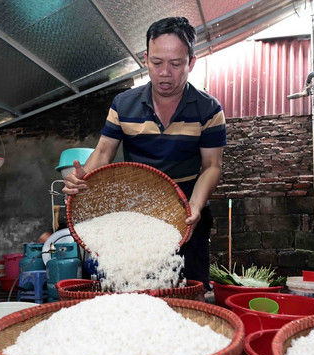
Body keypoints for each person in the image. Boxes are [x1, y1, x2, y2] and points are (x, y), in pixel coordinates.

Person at [62, 16, 226, 291]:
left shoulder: (208, 109)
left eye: (175, 64)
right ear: (145, 59)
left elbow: (212, 165)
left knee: (189, 292)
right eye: (157, 63)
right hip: (137, 212)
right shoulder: (124, 104)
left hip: (186, 208)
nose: (165, 73)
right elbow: (104, 151)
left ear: (191, 63)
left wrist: (195, 206)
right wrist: (82, 178)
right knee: (131, 289)